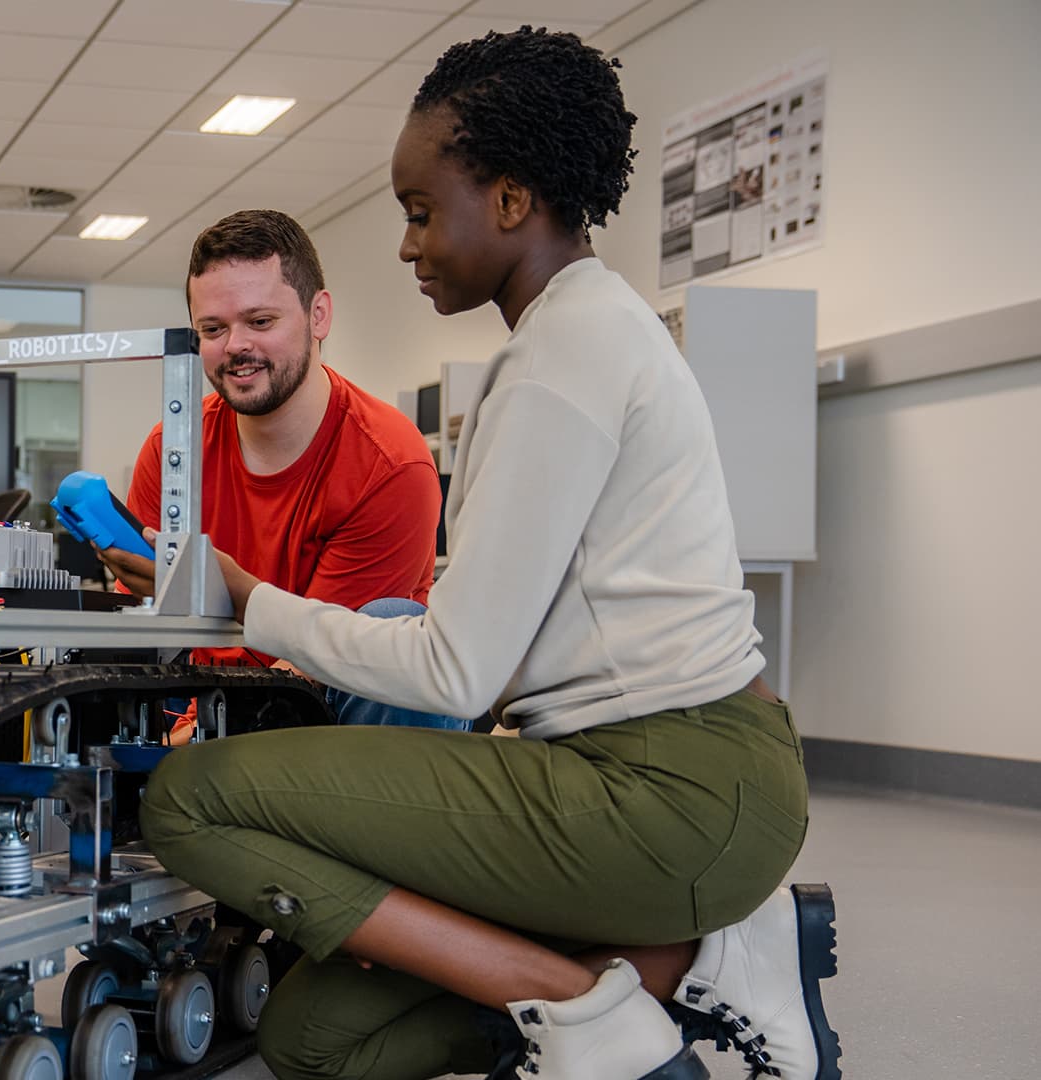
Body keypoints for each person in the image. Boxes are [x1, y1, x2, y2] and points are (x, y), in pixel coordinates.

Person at [139, 28, 838, 1080]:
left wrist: (251, 603)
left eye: (421, 213)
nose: (409, 246)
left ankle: (589, 1009)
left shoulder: (561, 361)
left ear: (510, 202)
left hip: (667, 791)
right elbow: (493, 661)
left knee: (189, 797)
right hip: (643, 776)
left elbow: (457, 669)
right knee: (317, 1042)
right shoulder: (582, 334)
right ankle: (675, 963)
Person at [104, 209, 455, 730]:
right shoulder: (173, 449)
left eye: (260, 321)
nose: (236, 346)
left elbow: (317, 666)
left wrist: (194, 741)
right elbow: (142, 633)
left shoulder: (389, 463)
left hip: (334, 712)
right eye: (213, 329)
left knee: (390, 621)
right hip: (203, 712)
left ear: (319, 316)